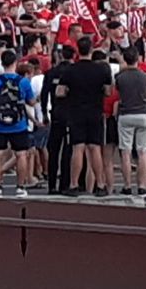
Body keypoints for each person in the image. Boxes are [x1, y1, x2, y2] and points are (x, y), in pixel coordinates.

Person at [58, 36, 113, 197]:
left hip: (76, 112)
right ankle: (101, 184)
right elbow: (108, 91)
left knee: (78, 148)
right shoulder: (102, 70)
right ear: (91, 50)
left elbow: (60, 92)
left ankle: (74, 184)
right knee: (95, 148)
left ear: (77, 50)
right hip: (95, 111)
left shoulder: (70, 70)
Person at [0, 49, 36, 197]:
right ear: (15, 63)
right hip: (19, 123)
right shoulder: (23, 82)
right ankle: (20, 187)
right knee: (21, 155)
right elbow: (31, 102)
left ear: (2, 63)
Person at [114, 48, 146, 196]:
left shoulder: (120, 77)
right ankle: (142, 185)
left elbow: (116, 93)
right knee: (142, 152)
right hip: (143, 113)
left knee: (126, 152)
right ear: (138, 59)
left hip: (126, 113)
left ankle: (127, 185)